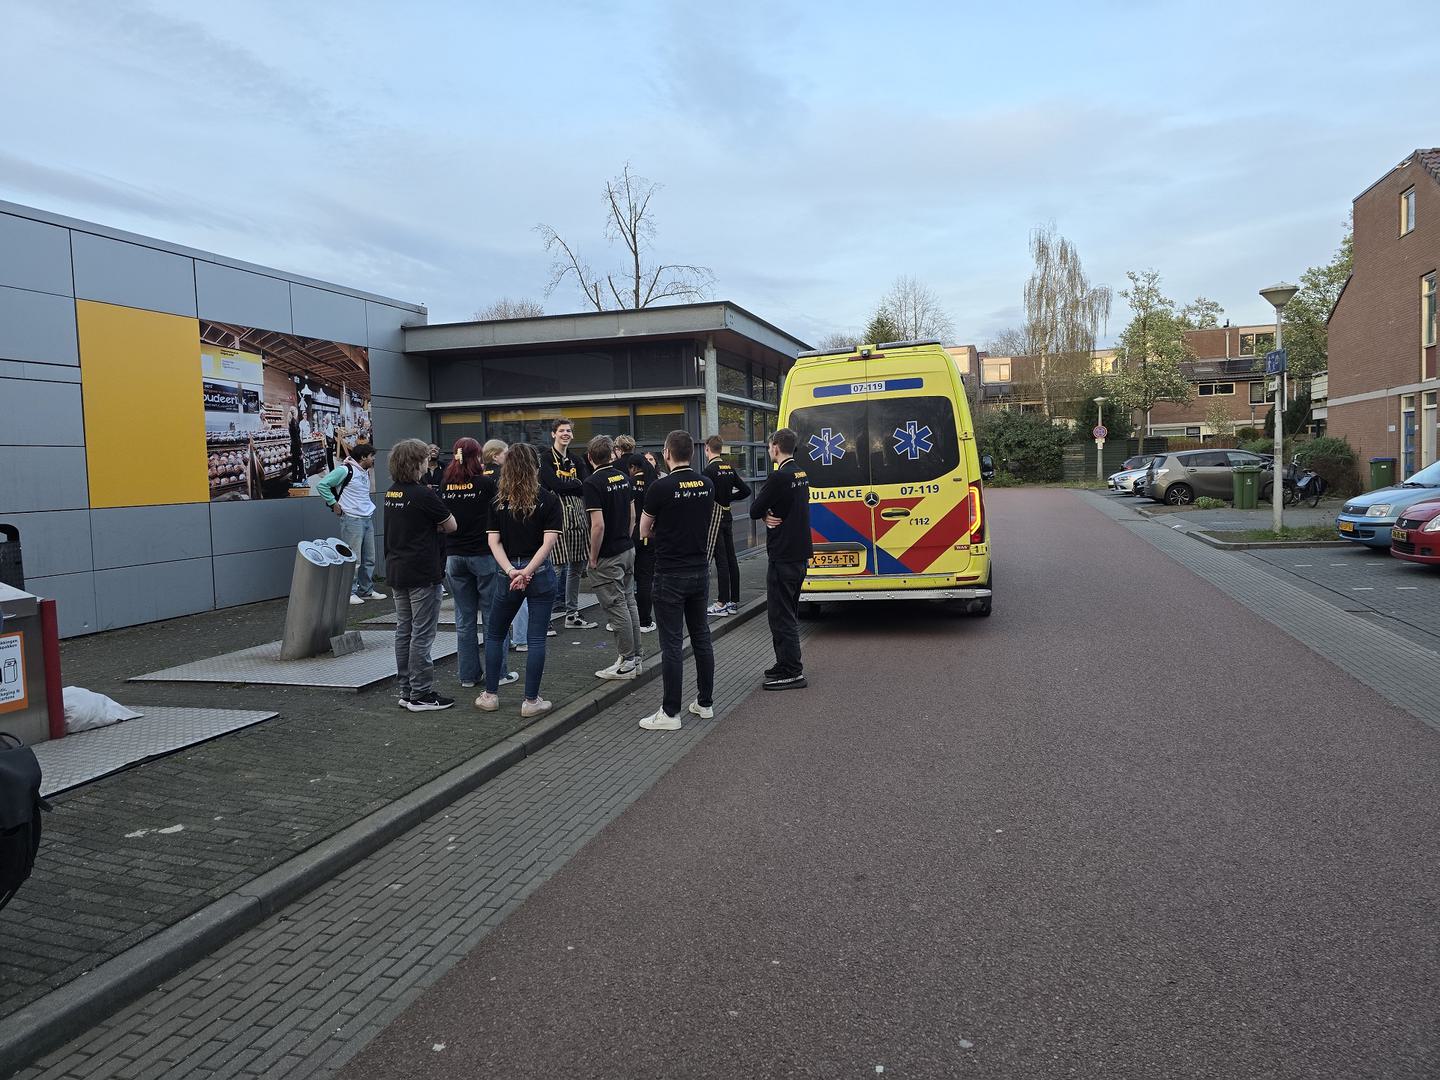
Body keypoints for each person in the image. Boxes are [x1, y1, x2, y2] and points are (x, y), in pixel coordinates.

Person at [637, 430, 720, 731]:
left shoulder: (660, 488)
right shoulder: (707, 484)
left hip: (670, 573)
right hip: (699, 571)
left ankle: (670, 713)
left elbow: (644, 530)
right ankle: (705, 703)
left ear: (667, 453)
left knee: (672, 643)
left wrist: (661, 528)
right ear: (693, 454)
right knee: (701, 635)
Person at [477, 442, 562, 718]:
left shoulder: (498, 501)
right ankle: (531, 701)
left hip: (507, 573)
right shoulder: (548, 499)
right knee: (536, 638)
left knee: (495, 633)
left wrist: (511, 571)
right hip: (539, 574)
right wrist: (528, 572)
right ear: (534, 467)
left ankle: (490, 695)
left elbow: (493, 541)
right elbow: (549, 543)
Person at [384, 438, 458, 711]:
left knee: (404, 631)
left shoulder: (392, 492)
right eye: (425, 458)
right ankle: (421, 694)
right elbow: (451, 525)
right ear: (417, 463)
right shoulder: (424, 494)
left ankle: (407, 690)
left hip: (397, 569)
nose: (429, 462)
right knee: (423, 634)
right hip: (422, 572)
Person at [442, 437, 518, 690]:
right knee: (493, 617)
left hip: (454, 558)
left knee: (464, 620)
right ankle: (500, 673)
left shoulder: (446, 484)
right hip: (484, 557)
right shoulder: (487, 484)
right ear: (478, 457)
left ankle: (468, 676)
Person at [747, 428, 812, 691]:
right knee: (789, 611)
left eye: (769, 446)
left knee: (780, 615)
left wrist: (763, 515)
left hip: (783, 556)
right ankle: (784, 663)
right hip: (799, 554)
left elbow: (753, 510)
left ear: (775, 447)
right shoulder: (801, 473)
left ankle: (791, 671)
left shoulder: (779, 477)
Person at [583, 435, 642, 681]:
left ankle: (627, 661)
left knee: (617, 608)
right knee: (629, 602)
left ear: (590, 457)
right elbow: (632, 516)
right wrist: (625, 539)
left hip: (608, 555)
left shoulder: (592, 483)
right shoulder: (624, 478)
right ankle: (635, 657)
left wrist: (593, 557)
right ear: (612, 454)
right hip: (627, 549)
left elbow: (597, 526)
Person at [540, 418, 597, 629]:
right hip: (557, 516)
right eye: (562, 430)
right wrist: (572, 484)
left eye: (569, 431)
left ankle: (572, 615)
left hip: (578, 518)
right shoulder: (545, 458)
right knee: (555, 567)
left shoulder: (576, 459)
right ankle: (544, 620)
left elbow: (585, 485)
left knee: (576, 567)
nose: (566, 434)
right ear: (554, 434)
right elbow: (553, 485)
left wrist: (568, 485)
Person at [315, 442, 385, 605]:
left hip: (366, 517)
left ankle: (366, 590)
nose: (373, 460)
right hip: (352, 518)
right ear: (363, 457)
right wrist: (333, 503)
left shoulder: (364, 472)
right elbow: (322, 484)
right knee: (354, 558)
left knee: (369, 557)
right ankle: (349, 592)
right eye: (371, 457)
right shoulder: (345, 470)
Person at [702, 435, 752, 616]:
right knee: (731, 559)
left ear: (708, 448)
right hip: (727, 515)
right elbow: (746, 490)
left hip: (715, 519)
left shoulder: (708, 471)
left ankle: (721, 602)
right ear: (721, 448)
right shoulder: (729, 468)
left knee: (720, 560)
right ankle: (733, 601)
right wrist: (729, 498)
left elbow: (704, 497)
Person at [616, 435, 657, 633]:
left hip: (630, 536)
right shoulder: (653, 484)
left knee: (625, 579)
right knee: (645, 580)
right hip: (648, 537)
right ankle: (645, 620)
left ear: (632, 467)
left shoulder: (627, 484)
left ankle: (624, 620)